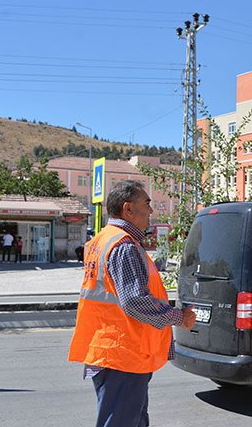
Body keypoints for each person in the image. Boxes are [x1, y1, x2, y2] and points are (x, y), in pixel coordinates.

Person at [68, 179, 196, 427]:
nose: (151, 210)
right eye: (147, 203)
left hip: (112, 350)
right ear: (128, 209)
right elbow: (136, 302)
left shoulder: (103, 240)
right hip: (122, 353)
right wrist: (180, 317)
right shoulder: (123, 245)